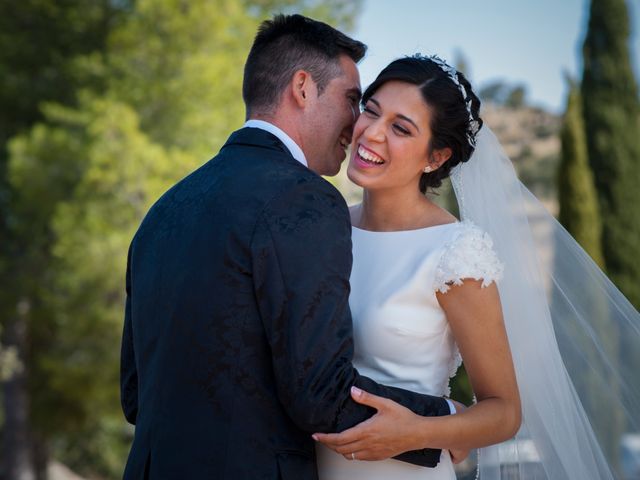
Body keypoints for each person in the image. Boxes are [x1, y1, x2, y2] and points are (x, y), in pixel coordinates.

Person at [120, 16, 460, 480]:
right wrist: (444, 421)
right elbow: (319, 396)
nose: (356, 125)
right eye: (352, 100)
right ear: (302, 87)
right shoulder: (305, 198)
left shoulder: (164, 209)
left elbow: (135, 395)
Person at [315, 54, 640, 480]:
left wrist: (418, 431)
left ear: (436, 157)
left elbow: (504, 411)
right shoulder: (324, 225)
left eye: (400, 128)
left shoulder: (455, 252)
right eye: (371, 111)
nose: (372, 133)